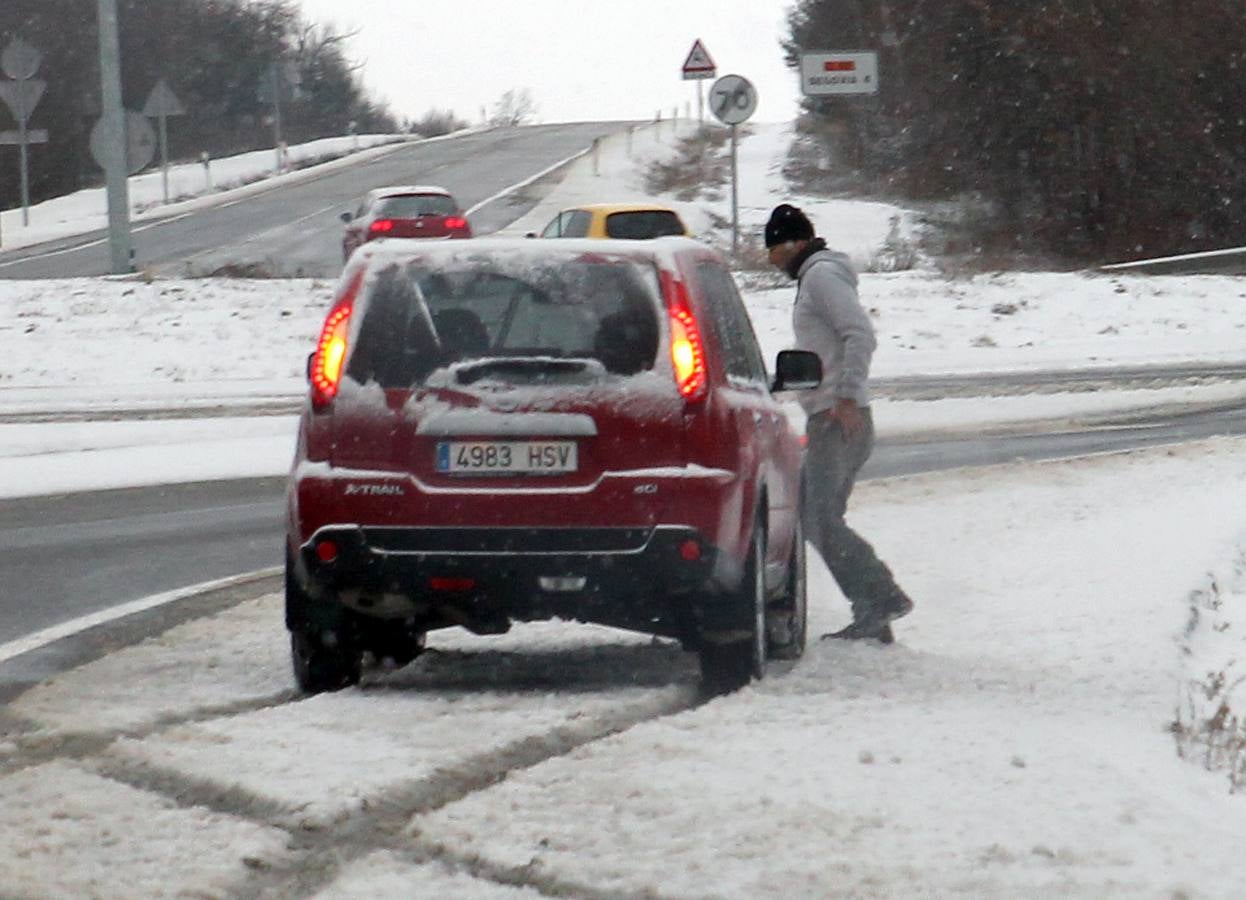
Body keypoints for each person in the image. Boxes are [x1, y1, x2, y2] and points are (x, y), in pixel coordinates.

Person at [765, 203, 914, 643]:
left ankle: (880, 599)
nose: (772, 261)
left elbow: (859, 334)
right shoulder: (817, 276)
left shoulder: (821, 276)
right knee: (820, 517)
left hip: (839, 419)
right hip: (834, 414)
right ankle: (875, 616)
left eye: (773, 250)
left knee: (817, 518)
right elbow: (824, 346)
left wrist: (846, 395)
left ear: (793, 243)